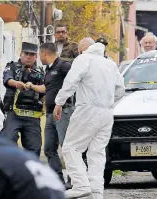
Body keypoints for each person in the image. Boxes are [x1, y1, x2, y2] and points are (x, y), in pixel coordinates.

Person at [53, 42, 125, 198]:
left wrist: (59, 102)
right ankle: (97, 193)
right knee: (97, 154)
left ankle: (80, 185)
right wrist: (107, 102)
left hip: (87, 109)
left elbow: (71, 81)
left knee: (71, 148)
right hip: (107, 113)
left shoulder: (84, 58)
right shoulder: (110, 64)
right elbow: (121, 90)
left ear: (83, 49)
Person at [25, 43, 74, 188]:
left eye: (39, 54)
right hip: (50, 113)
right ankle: (58, 181)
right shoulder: (49, 69)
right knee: (48, 149)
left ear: (45, 53)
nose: (39, 57)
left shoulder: (64, 66)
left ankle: (74, 180)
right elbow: (47, 88)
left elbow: (76, 81)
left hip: (63, 111)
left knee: (66, 147)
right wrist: (32, 86)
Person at [0, 42, 45, 157]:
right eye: (26, 53)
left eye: (32, 54)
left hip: (33, 115)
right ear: (21, 53)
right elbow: (7, 79)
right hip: (14, 113)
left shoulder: (40, 72)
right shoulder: (12, 66)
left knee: (34, 148)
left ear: (36, 57)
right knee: (7, 143)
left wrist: (34, 87)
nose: (28, 56)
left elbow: (45, 89)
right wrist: (16, 84)